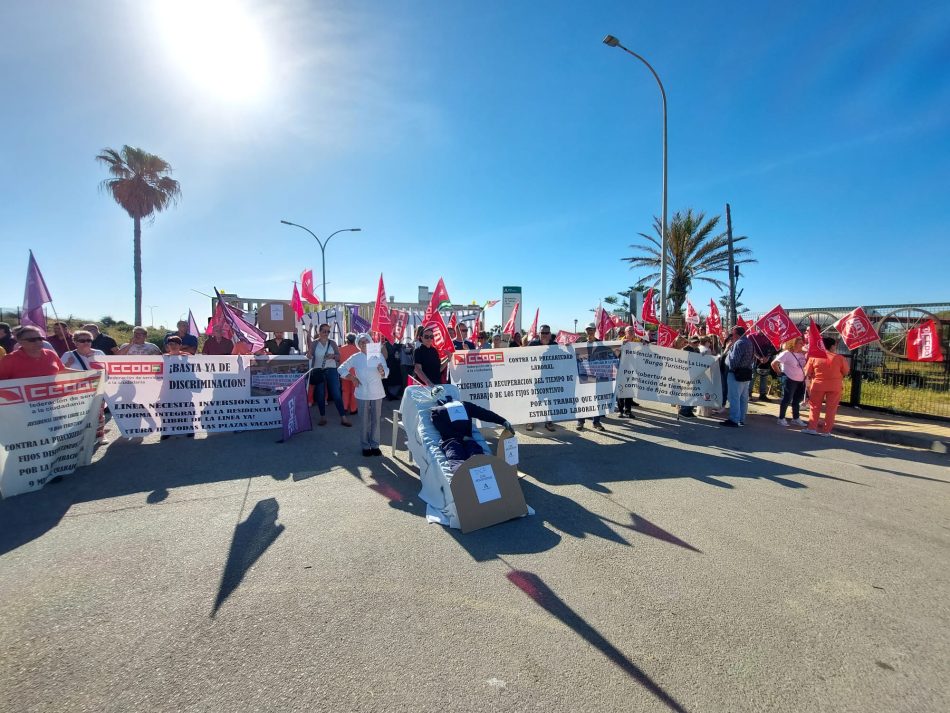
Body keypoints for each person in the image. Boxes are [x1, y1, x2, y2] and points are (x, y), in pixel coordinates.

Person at [427, 386, 513, 472]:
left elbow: (484, 414)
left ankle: (468, 473)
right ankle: (464, 474)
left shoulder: (437, 411)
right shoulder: (462, 405)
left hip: (456, 440)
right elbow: (484, 413)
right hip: (459, 439)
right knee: (463, 456)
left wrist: (502, 421)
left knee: (466, 456)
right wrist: (503, 421)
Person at [338, 333, 389, 456]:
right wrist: (352, 377)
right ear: (358, 344)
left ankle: (375, 445)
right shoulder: (355, 357)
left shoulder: (378, 355)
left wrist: (383, 371)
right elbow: (341, 368)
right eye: (361, 342)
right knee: (364, 421)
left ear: (370, 342)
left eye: (366, 341)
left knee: (376, 420)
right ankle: (365, 446)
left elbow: (386, 370)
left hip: (377, 393)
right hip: (362, 393)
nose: (364, 343)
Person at [803, 337, 850, 436]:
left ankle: (812, 428)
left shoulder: (814, 357)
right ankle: (826, 431)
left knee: (815, 407)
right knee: (831, 409)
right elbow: (846, 372)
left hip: (818, 385)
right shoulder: (839, 358)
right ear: (832, 346)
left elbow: (807, 372)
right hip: (835, 386)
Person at [308, 324, 351, 427]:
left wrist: (333, 356)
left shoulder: (332, 343)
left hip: (331, 370)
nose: (326, 333)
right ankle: (322, 417)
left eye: (328, 331)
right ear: (319, 332)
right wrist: (308, 355)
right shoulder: (314, 343)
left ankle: (343, 417)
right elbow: (310, 355)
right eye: (324, 331)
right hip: (318, 370)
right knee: (320, 394)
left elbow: (338, 357)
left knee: (336, 393)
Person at [0, 325, 69, 379]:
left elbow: (62, 370)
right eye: (32, 340)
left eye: (40, 338)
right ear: (20, 342)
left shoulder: (51, 354)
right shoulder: (9, 359)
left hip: (52, 395)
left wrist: (80, 374)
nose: (38, 342)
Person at [526, 325, 558, 432]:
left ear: (550, 334)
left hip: (550, 379)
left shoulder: (555, 345)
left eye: (546, 333)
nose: (544, 335)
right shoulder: (533, 344)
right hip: (536, 379)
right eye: (542, 333)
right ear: (539, 333)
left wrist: (568, 347)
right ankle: (530, 421)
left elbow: (564, 357)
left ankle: (549, 422)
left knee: (550, 401)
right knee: (534, 399)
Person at [721, 326, 754, 427]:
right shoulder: (749, 342)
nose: (732, 336)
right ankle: (741, 419)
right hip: (746, 373)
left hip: (736, 373)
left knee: (734, 398)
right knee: (743, 398)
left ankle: (734, 420)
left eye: (733, 334)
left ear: (737, 334)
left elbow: (734, 361)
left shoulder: (739, 343)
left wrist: (729, 351)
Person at [575, 322, 605, 432]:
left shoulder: (601, 344)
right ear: (586, 331)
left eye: (592, 329)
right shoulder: (580, 343)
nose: (590, 331)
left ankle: (596, 422)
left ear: (595, 330)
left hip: (597, 376)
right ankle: (580, 421)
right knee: (582, 399)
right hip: (583, 376)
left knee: (596, 400)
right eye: (588, 329)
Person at [771, 337, 807, 427]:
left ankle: (796, 418)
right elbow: (774, 363)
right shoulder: (786, 353)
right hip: (790, 379)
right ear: (793, 344)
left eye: (802, 343)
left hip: (801, 380)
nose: (802, 344)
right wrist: (779, 373)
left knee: (797, 400)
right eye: (800, 343)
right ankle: (781, 418)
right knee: (787, 399)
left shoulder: (802, 354)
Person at [339, 332, 360, 415]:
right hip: (355, 374)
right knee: (354, 391)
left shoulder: (340, 349)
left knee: (345, 391)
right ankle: (353, 409)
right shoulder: (358, 350)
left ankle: (344, 407)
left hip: (344, 374)